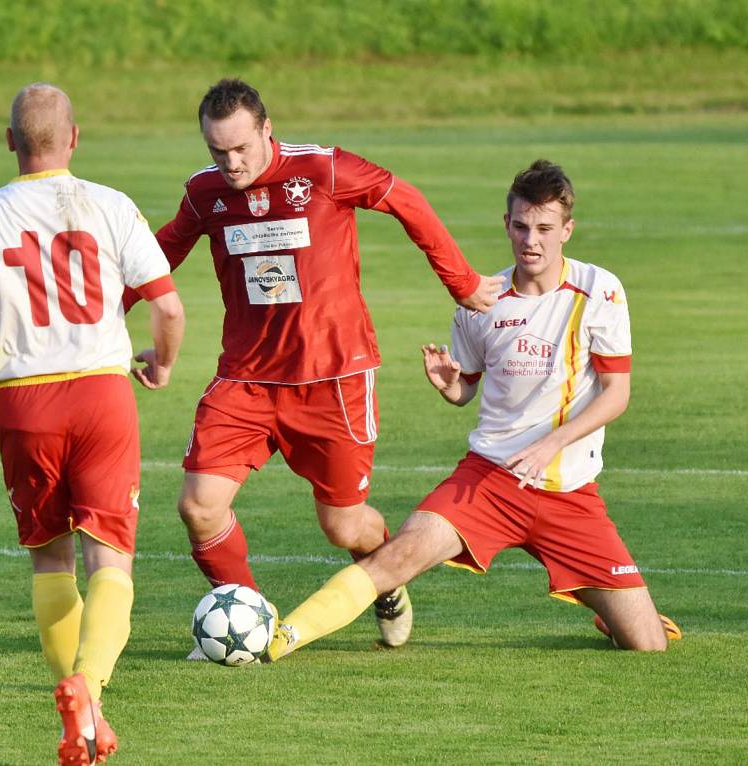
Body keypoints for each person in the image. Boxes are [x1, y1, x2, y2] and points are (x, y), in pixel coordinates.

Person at [124, 78, 503, 654]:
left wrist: (464, 282)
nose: (231, 163)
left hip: (334, 380)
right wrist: (100, 320)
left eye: (242, 148)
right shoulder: (206, 194)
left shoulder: (322, 171)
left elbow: (407, 200)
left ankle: (387, 584)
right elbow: (161, 252)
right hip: (246, 379)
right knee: (198, 507)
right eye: (217, 151)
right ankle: (249, 620)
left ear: (266, 129)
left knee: (344, 528)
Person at [265, 159, 682, 662]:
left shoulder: (600, 290)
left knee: (648, 645)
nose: (533, 239)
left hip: (569, 493)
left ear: (567, 230)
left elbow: (616, 392)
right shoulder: (479, 300)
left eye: (546, 228)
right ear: (506, 224)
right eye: (522, 226)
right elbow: (468, 391)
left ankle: (607, 608)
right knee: (397, 558)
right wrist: (450, 386)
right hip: (489, 480)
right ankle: (279, 639)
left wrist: (550, 444)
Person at [0, 83, 185, 765]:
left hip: (23, 400)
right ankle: (89, 694)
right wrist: (160, 361)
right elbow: (169, 308)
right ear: (75, 138)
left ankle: (85, 714)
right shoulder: (111, 203)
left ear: (9, 142)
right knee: (110, 559)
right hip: (101, 393)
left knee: (50, 556)